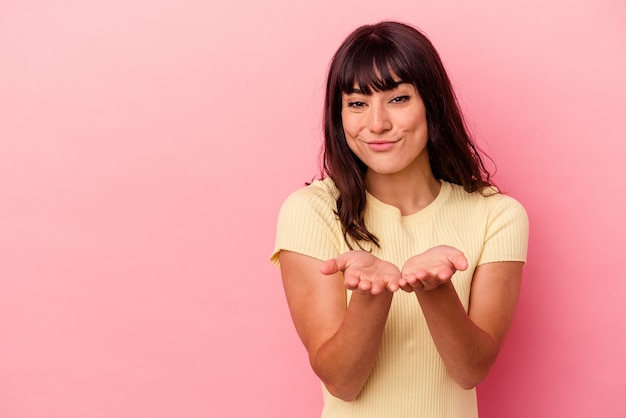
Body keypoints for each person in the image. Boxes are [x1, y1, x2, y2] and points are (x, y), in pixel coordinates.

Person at [270, 21, 528, 418]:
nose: (377, 124)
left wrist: (435, 288)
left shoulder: (497, 216)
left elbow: (470, 370)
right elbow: (342, 382)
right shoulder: (311, 211)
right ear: (339, 117)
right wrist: (371, 295)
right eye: (356, 103)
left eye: (398, 99)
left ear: (432, 103)